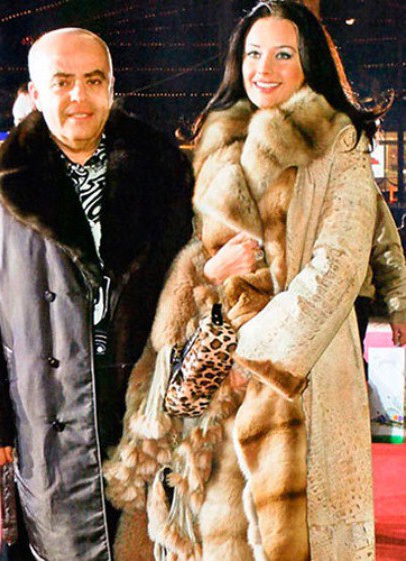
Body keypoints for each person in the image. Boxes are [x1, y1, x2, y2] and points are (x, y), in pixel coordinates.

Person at [105, 2, 386, 560]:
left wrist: (251, 355)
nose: (265, 68)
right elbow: (199, 251)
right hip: (216, 387)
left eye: (284, 54)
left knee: (294, 535)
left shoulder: (340, 144)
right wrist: (208, 277)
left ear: (309, 63)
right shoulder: (217, 143)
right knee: (219, 536)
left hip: (296, 378)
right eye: (254, 53)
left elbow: (338, 266)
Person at [0, 28, 193, 561]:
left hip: (145, 410)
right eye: (62, 82)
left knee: (146, 543)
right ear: (37, 94)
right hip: (45, 411)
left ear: (113, 88)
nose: (79, 96)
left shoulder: (165, 173)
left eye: (93, 80)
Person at [355, 194, 406, 372]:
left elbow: (386, 251)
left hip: (352, 301)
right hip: (291, 301)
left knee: (350, 372)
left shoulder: (361, 185)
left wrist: (399, 310)